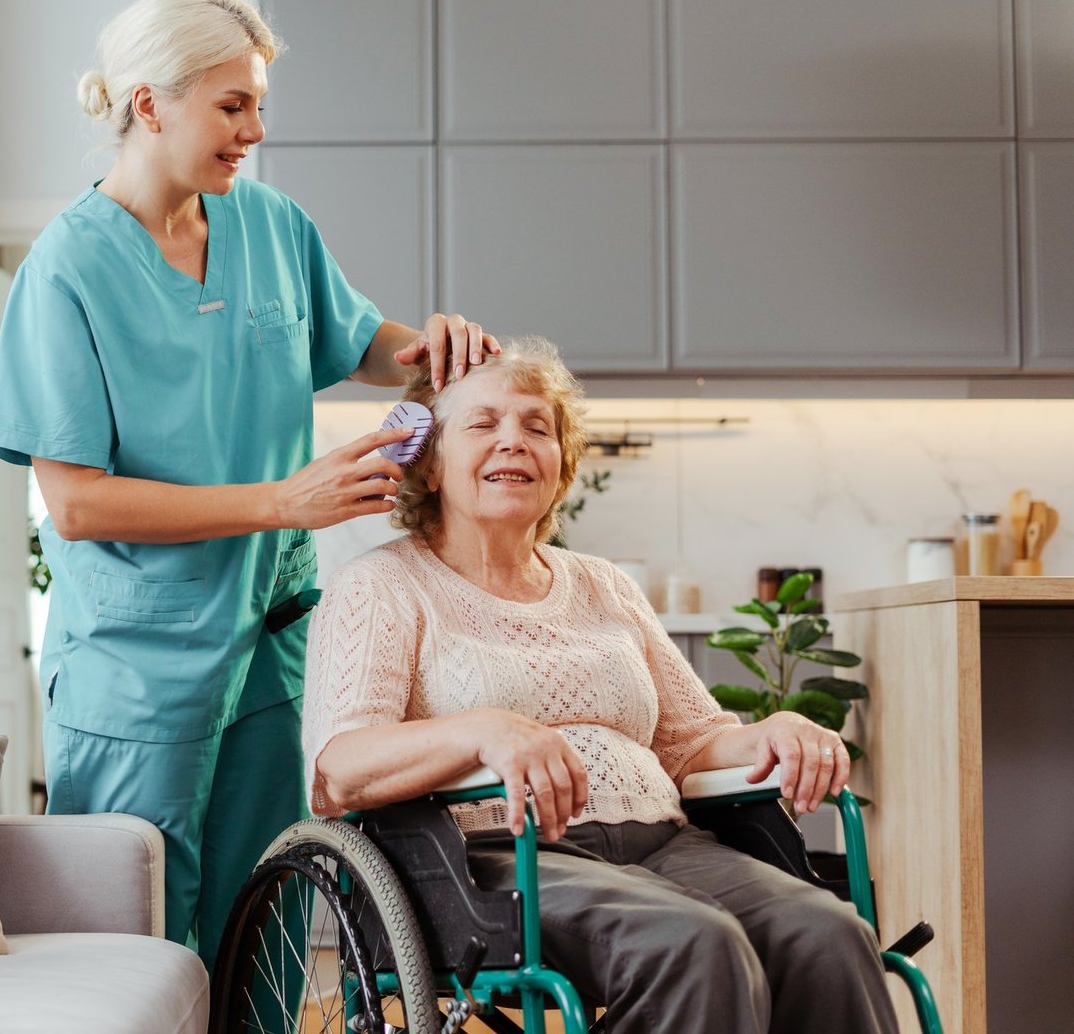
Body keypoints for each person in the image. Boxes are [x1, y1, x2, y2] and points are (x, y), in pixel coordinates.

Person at [0, 0, 498, 968]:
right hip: (140, 662)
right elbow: (77, 503)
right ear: (149, 103)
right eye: (233, 105)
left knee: (272, 912)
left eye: (258, 103)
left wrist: (430, 348)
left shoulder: (269, 225)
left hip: (271, 640)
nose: (255, 128)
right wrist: (281, 501)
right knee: (133, 933)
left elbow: (362, 344)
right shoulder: (67, 273)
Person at [303, 337, 899, 1034]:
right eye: (483, 424)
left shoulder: (604, 585)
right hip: (495, 858)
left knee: (826, 933)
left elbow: (691, 740)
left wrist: (774, 733)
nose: (513, 442)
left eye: (536, 427)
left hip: (665, 844)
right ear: (429, 467)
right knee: (693, 947)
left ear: (560, 466)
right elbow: (338, 770)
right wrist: (481, 731)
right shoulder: (382, 585)